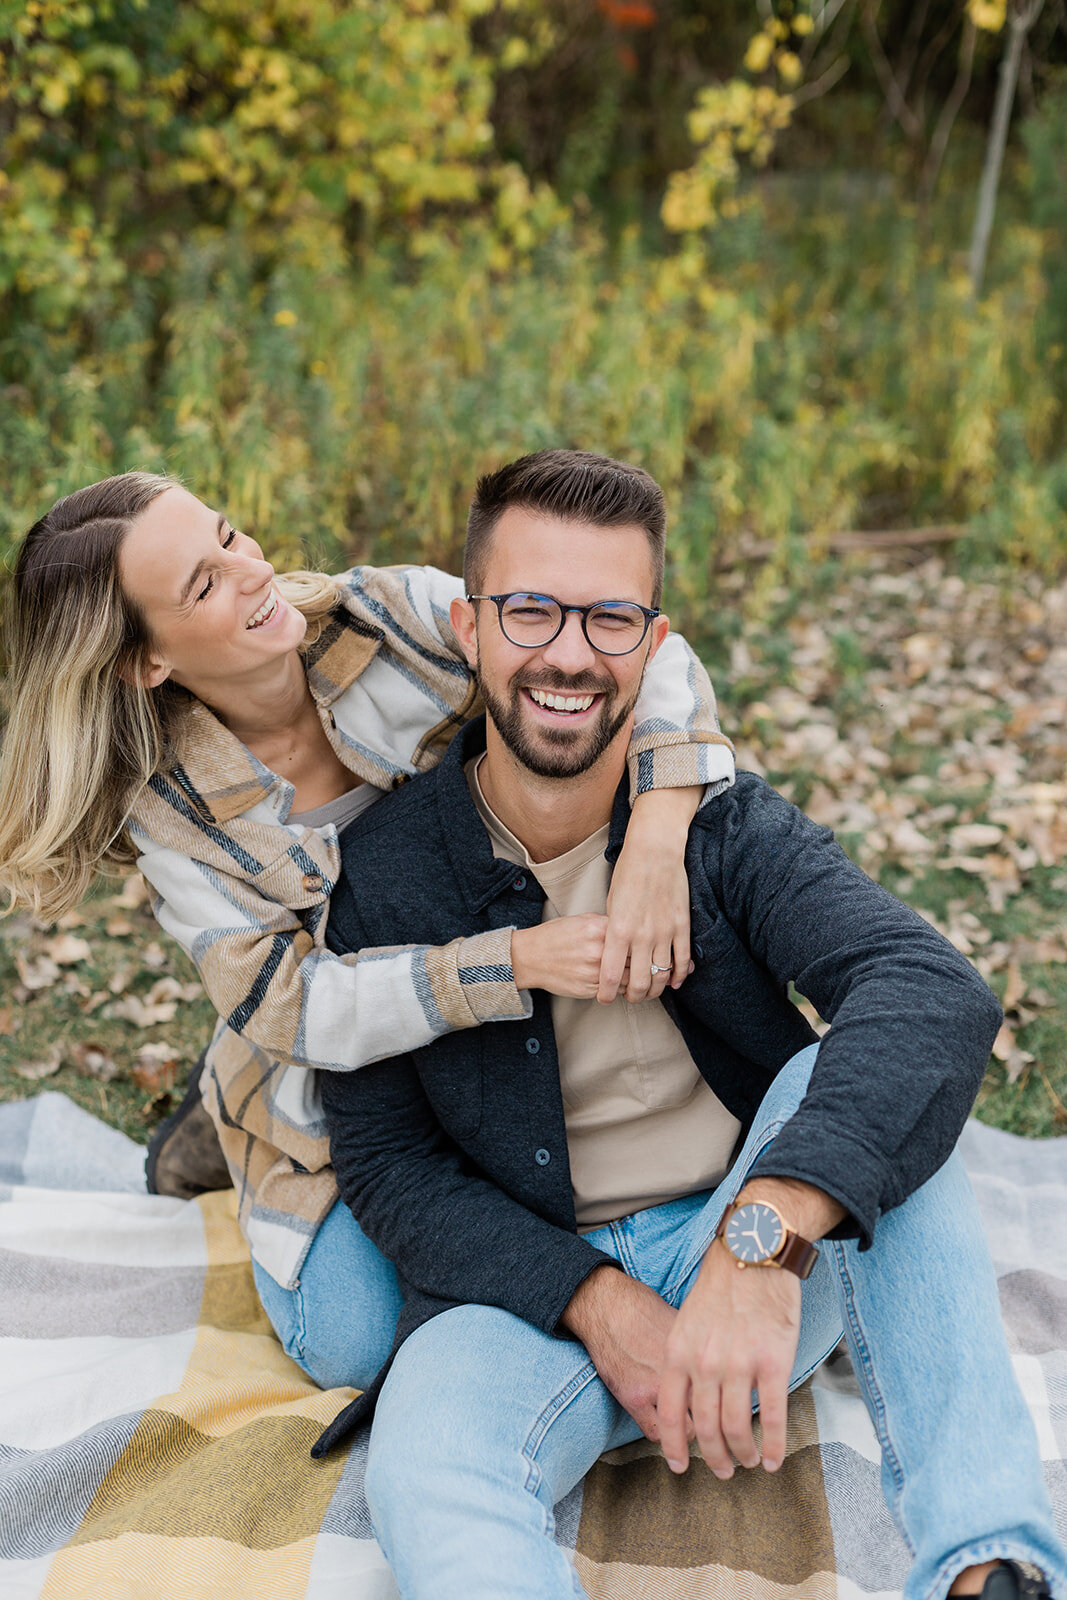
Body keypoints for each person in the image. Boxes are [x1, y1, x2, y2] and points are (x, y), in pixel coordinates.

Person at [315, 449, 1066, 1600]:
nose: (569, 653)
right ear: (469, 628)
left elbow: (930, 988)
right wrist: (597, 1301)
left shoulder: (715, 823)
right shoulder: (385, 867)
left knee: (873, 1090)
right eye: (530, 611)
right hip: (525, 1299)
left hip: (750, 1238)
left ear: (654, 645)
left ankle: (988, 1567)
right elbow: (385, 1163)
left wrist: (757, 1236)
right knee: (424, 1463)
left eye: (610, 618)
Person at [0, 468, 736, 1351]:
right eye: (203, 583)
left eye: (229, 537)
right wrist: (512, 961)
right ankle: (224, 1127)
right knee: (356, 1343)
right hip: (343, 1049)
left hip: (501, 993)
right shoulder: (169, 809)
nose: (251, 572)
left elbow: (655, 655)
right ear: (146, 661)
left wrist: (657, 835)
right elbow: (294, 1006)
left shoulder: (391, 617)